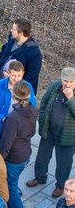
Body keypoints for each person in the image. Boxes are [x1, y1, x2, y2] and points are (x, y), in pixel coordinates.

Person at [30, 67, 75, 199]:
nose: (67, 84)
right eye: (65, 81)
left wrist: (70, 98)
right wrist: (43, 118)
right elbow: (43, 102)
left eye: (71, 82)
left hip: (67, 136)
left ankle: (60, 185)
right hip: (49, 130)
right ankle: (40, 177)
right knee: (42, 157)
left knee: (64, 163)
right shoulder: (55, 86)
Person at [0, 81, 37, 208]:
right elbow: (32, 132)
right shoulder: (32, 109)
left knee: (11, 187)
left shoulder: (13, 117)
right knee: (12, 184)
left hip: (13, 158)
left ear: (14, 97)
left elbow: (6, 144)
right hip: (25, 152)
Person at [0, 18, 42, 93]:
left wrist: (11, 78)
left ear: (21, 33)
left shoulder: (34, 53)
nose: (11, 30)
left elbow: (31, 78)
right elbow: (3, 58)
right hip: (0, 85)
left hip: (16, 93)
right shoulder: (12, 40)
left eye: (14, 29)